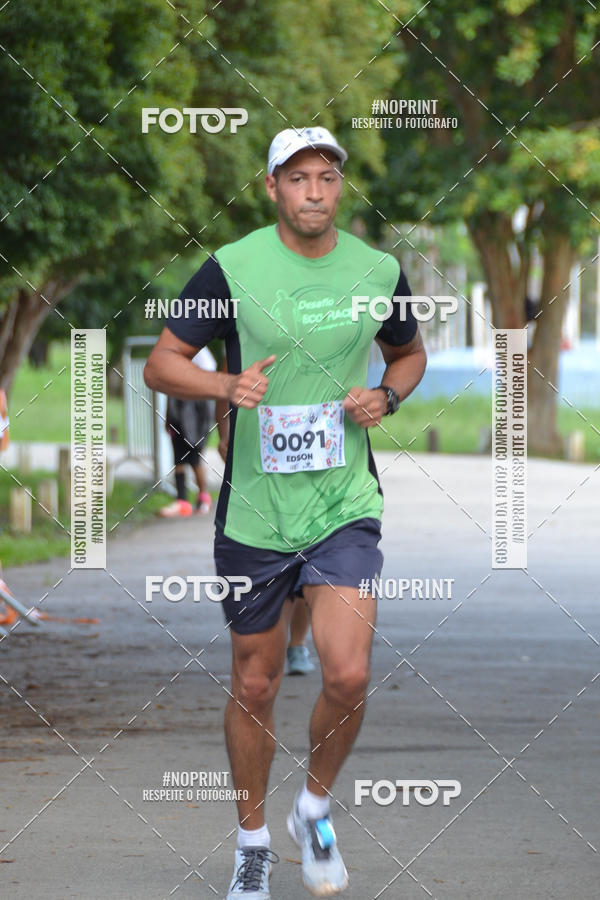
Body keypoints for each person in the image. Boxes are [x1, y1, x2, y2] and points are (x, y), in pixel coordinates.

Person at [144, 126, 427, 899]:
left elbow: (408, 351)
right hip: (257, 515)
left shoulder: (376, 269)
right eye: (297, 178)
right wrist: (223, 389)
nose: (314, 191)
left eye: (326, 178)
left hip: (343, 503)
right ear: (272, 187)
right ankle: (252, 844)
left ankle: (313, 809)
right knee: (258, 684)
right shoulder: (230, 267)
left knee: (348, 671)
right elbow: (161, 360)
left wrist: (388, 394)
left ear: (340, 188)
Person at [158, 345, 217, 517]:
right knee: (179, 460)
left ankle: (203, 497)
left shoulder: (200, 353)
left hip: (195, 417)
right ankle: (182, 500)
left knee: (195, 459)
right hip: (178, 413)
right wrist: (169, 419)